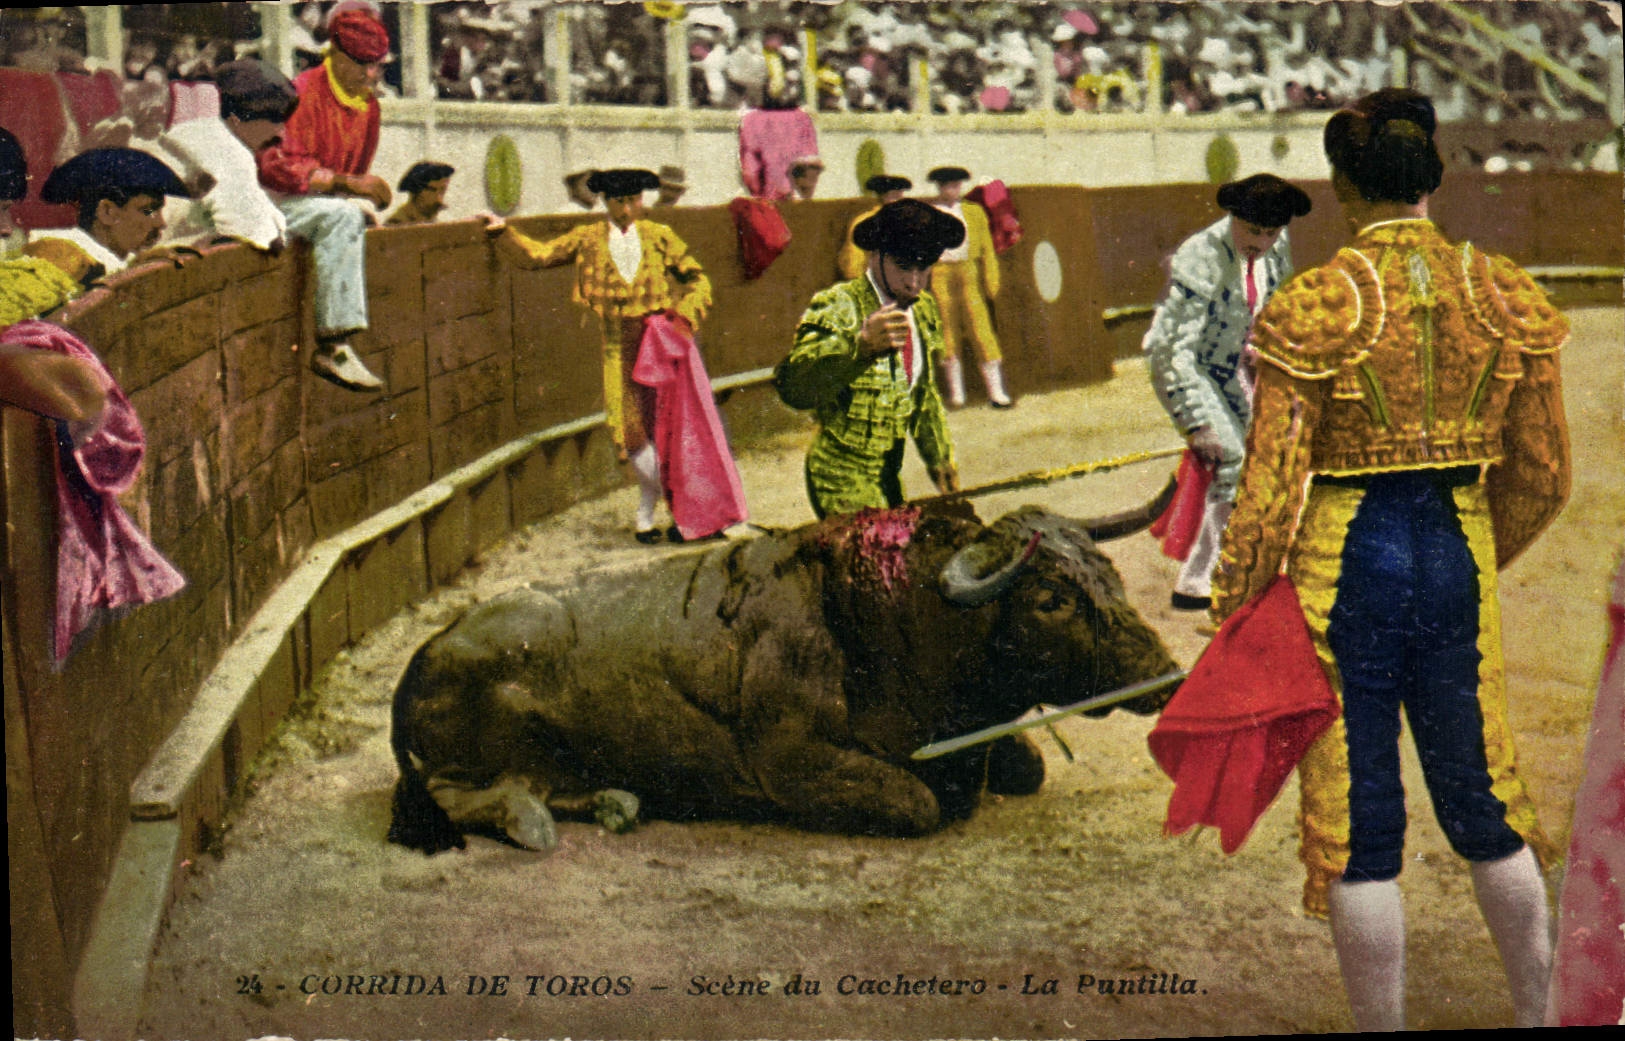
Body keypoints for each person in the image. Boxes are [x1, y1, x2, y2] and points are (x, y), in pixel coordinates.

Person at [1211, 88, 1569, 1031]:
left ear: (1340, 187)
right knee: (1481, 790)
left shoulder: (1317, 298)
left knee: (1359, 815)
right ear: (1430, 180)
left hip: (1344, 563)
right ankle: (1540, 1012)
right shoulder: (1499, 289)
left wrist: (1238, 602)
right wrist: (1479, 549)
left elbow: (1270, 482)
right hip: (1456, 545)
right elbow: (1543, 474)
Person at [486, 168, 727, 544]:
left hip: (660, 343)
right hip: (618, 344)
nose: (627, 209)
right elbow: (539, 255)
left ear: (641, 200)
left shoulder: (660, 236)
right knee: (629, 433)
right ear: (605, 202)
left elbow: (699, 280)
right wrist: (503, 232)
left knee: (667, 430)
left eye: (633, 201)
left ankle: (655, 514)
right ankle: (671, 505)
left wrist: (683, 318)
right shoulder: (588, 238)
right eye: (619, 202)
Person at [1143, 172, 1312, 610]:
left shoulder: (1277, 247)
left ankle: (1207, 576)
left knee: (1265, 455)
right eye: (1253, 230)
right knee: (1232, 458)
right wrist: (1195, 420)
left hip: (1237, 366)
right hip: (1196, 368)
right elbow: (1169, 349)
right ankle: (1210, 576)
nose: (1262, 241)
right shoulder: (1201, 254)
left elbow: (1274, 309)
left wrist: (1261, 347)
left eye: (1272, 232)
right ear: (1233, 218)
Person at [774, 198, 963, 518]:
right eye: (903, 266)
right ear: (876, 254)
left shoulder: (924, 308)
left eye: (924, 267)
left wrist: (940, 457)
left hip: (887, 477)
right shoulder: (839, 305)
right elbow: (794, 388)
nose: (914, 282)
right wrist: (858, 352)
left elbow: (923, 394)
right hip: (839, 477)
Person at [256, 3, 395, 392]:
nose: (371, 74)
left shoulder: (368, 106)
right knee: (343, 217)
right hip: (271, 204)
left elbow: (350, 177)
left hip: (311, 206)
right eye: (362, 63)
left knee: (350, 217)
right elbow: (277, 167)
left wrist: (347, 195)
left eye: (378, 65)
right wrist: (347, 188)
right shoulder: (300, 92)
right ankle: (332, 346)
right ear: (335, 53)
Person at [150, 60, 297, 254]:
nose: (281, 133)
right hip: (152, 266)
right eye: (274, 120)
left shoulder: (195, 132)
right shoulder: (224, 149)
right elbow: (258, 236)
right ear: (236, 118)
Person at [20, 148, 189, 296]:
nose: (161, 223)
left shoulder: (119, 261)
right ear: (107, 212)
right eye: (148, 211)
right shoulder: (57, 257)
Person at [924, 166, 1011, 408]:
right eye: (946, 186)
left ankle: (996, 392)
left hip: (968, 271)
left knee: (980, 328)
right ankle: (957, 394)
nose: (952, 190)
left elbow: (987, 249)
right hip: (941, 273)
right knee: (947, 331)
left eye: (955, 185)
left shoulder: (974, 212)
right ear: (939, 188)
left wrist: (991, 280)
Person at [836, 173, 910, 280]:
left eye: (899, 196)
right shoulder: (865, 221)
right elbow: (855, 256)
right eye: (893, 196)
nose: (897, 200)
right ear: (883, 197)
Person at [386, 162, 454, 226]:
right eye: (432, 190)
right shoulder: (398, 224)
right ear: (415, 192)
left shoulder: (433, 224)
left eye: (442, 191)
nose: (438, 199)